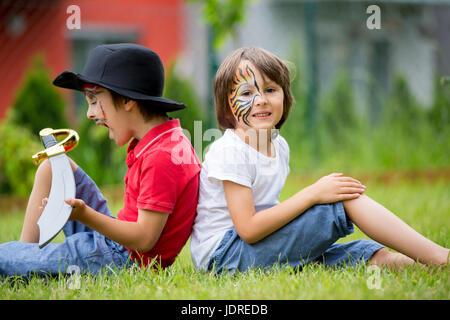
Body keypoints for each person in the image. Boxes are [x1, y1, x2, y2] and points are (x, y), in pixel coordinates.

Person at [190, 46, 449, 274]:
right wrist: (313, 194)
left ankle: (427, 265)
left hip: (252, 248)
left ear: (285, 97)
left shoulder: (278, 146)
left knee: (365, 255)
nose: (261, 100)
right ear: (226, 107)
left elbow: (267, 210)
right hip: (225, 257)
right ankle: (441, 258)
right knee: (342, 198)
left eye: (271, 89)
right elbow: (248, 227)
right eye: (246, 94)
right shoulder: (230, 151)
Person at [0, 43, 201, 277]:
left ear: (127, 100)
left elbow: (145, 239)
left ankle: (24, 262)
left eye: (94, 100)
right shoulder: (163, 141)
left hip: (120, 260)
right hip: (117, 244)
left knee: (5, 258)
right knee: (52, 168)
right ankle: (27, 260)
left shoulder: (163, 156)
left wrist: (84, 215)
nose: (89, 113)